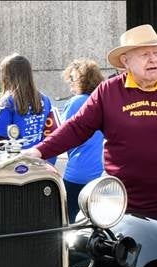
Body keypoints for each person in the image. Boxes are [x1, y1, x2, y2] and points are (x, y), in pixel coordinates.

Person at [25, 24, 157, 231]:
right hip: (119, 207)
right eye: (144, 54)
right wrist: (39, 151)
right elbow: (77, 127)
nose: (153, 59)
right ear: (126, 61)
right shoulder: (108, 91)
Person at [60, 59, 105, 221]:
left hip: (78, 173)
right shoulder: (103, 101)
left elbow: (62, 135)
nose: (70, 84)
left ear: (82, 80)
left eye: (72, 79)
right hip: (101, 175)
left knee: (69, 223)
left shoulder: (75, 102)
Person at [0, 53, 56, 159]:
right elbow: (49, 130)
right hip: (39, 156)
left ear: (7, 77)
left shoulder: (8, 101)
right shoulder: (45, 99)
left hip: (16, 159)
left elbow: (0, 137)